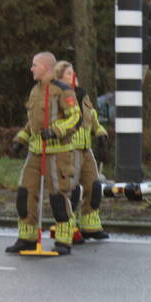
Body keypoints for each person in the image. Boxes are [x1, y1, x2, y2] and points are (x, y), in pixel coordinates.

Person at [5, 52, 81, 256]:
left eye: (35, 65)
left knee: (58, 197)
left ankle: (64, 240)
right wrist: (20, 139)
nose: (31, 69)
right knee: (25, 194)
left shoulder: (63, 90)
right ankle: (27, 238)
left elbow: (75, 118)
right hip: (35, 152)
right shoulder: (34, 91)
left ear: (46, 68)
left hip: (58, 153)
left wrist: (56, 131)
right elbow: (33, 122)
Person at [55, 61, 109, 243]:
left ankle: (90, 225)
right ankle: (69, 229)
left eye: (73, 72)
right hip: (69, 149)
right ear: (61, 78)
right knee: (71, 191)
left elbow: (92, 116)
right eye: (69, 73)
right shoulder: (59, 96)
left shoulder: (82, 94)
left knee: (93, 186)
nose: (74, 75)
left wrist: (100, 132)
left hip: (86, 149)